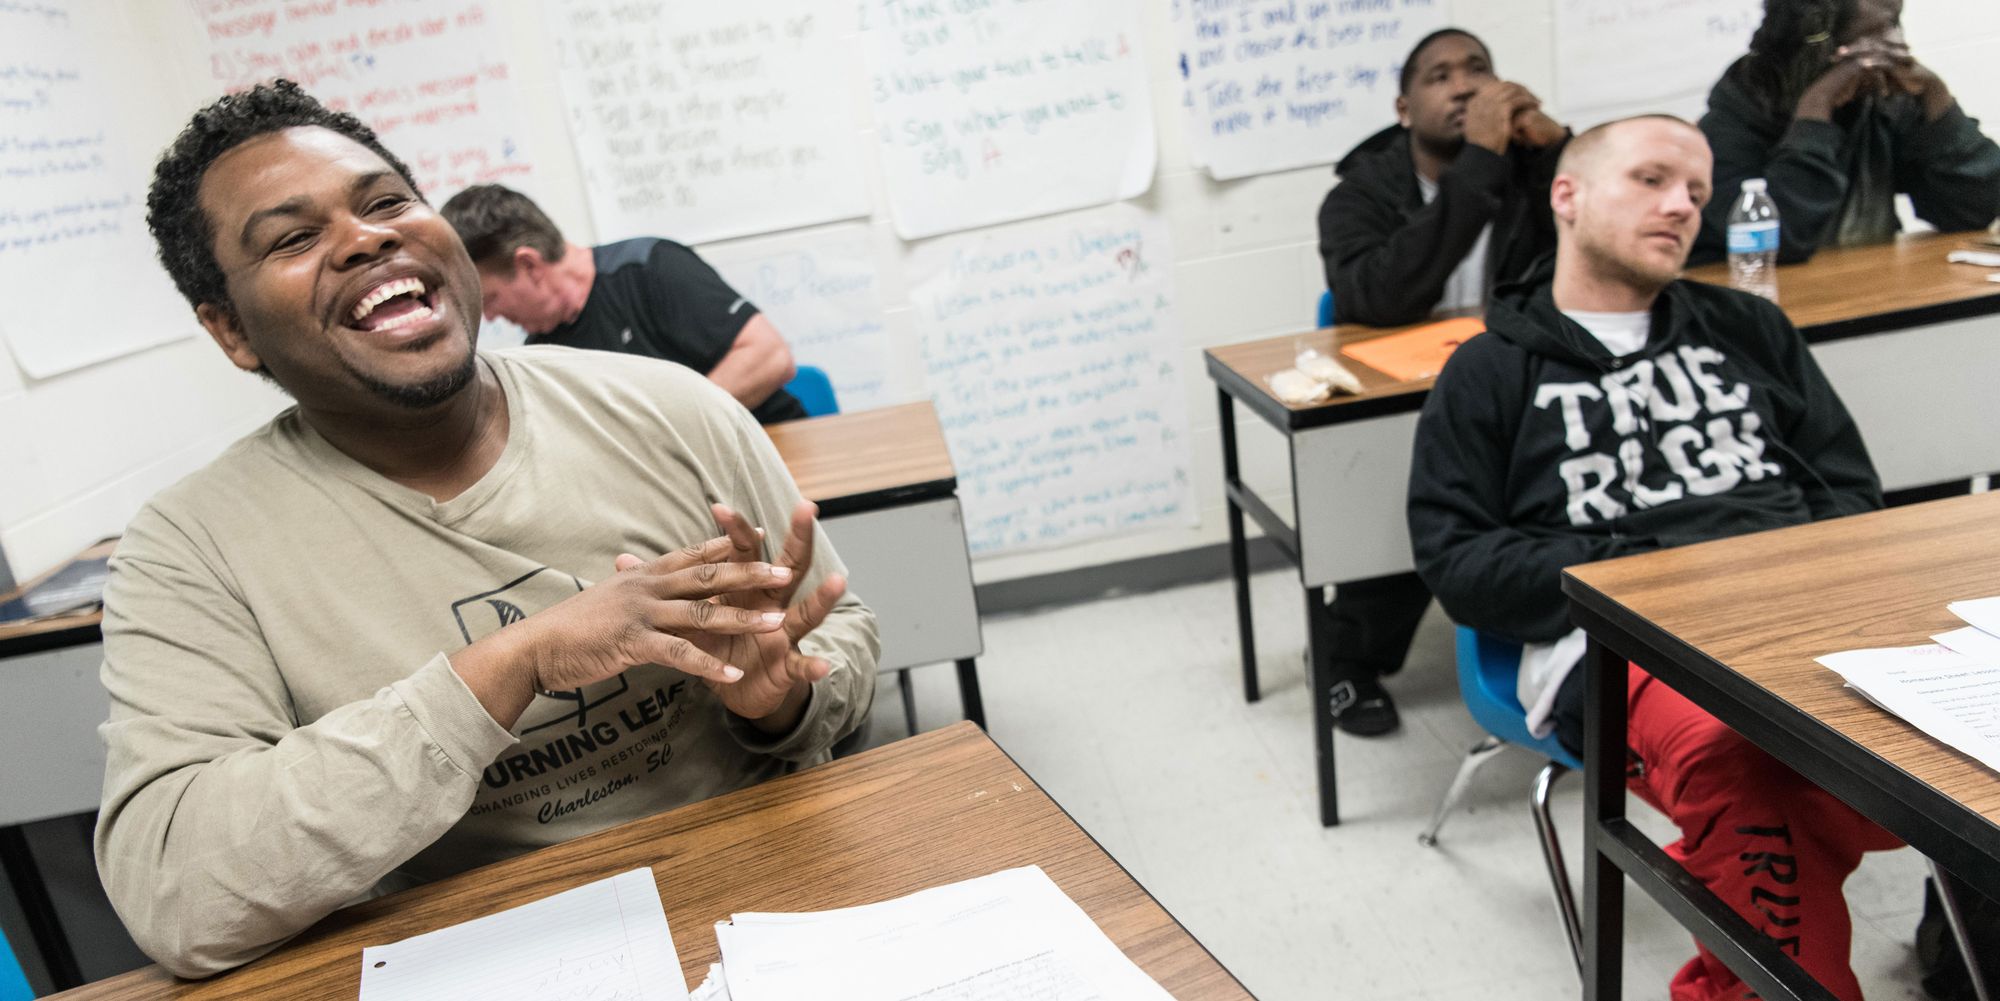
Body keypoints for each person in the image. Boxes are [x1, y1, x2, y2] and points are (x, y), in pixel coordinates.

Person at [96, 80, 877, 978]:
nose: (366, 237)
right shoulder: (190, 548)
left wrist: (782, 699)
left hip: (765, 903)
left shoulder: (672, 406)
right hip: (483, 957)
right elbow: (179, 895)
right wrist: (514, 663)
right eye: (294, 237)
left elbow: (844, 634)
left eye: (387, 201)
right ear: (231, 329)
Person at [1408, 115, 1897, 1001]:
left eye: (1698, 193)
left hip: (1802, 609)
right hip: (1625, 644)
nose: (1682, 206)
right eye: (1652, 179)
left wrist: (1803, 580)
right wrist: (1651, 570)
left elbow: (1852, 494)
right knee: (1744, 767)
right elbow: (1460, 560)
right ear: (1568, 195)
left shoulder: (1751, 328)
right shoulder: (1488, 372)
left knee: (1951, 736)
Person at [1308, 27, 1570, 735]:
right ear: (1403, 107)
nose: (1462, 86)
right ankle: (1343, 657)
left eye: (1478, 70)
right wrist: (1481, 161)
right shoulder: (1359, 193)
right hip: (1403, 400)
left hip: (1516, 383)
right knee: (1407, 503)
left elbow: (1598, 248)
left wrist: (1558, 148)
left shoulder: (1535, 172)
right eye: (1439, 75)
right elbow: (1377, 297)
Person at [439, 184, 808, 424]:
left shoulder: (651, 267)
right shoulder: (543, 354)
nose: (487, 315)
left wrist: (668, 430)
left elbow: (770, 357)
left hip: (773, 445)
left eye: (490, 298)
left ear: (529, 266)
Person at [1694, 0, 2000, 264]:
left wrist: (1935, 95)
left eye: (1896, 24)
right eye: (1878, 32)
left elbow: (1975, 210)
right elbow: (1783, 239)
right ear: (1817, 47)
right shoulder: (1727, 128)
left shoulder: (1883, 104)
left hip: (1866, 297)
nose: (1897, 43)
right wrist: (1816, 109)